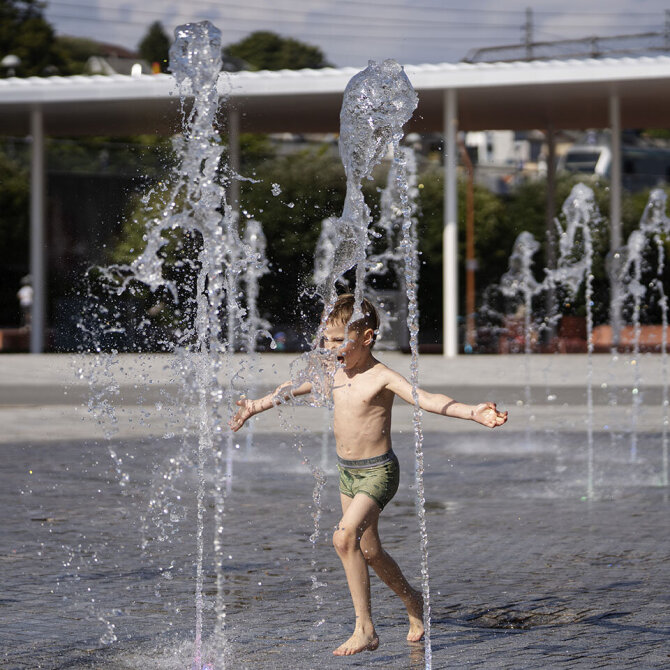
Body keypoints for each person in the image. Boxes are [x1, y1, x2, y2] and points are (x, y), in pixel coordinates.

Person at [230, 294, 508, 656]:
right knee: (370, 550)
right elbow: (290, 390)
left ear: (367, 337)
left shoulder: (381, 377)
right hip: (348, 474)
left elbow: (425, 398)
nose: (332, 349)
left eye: (340, 340)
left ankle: (365, 629)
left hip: (379, 472)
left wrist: (472, 411)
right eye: (327, 340)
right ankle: (414, 601)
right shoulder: (331, 375)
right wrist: (254, 406)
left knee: (344, 538)